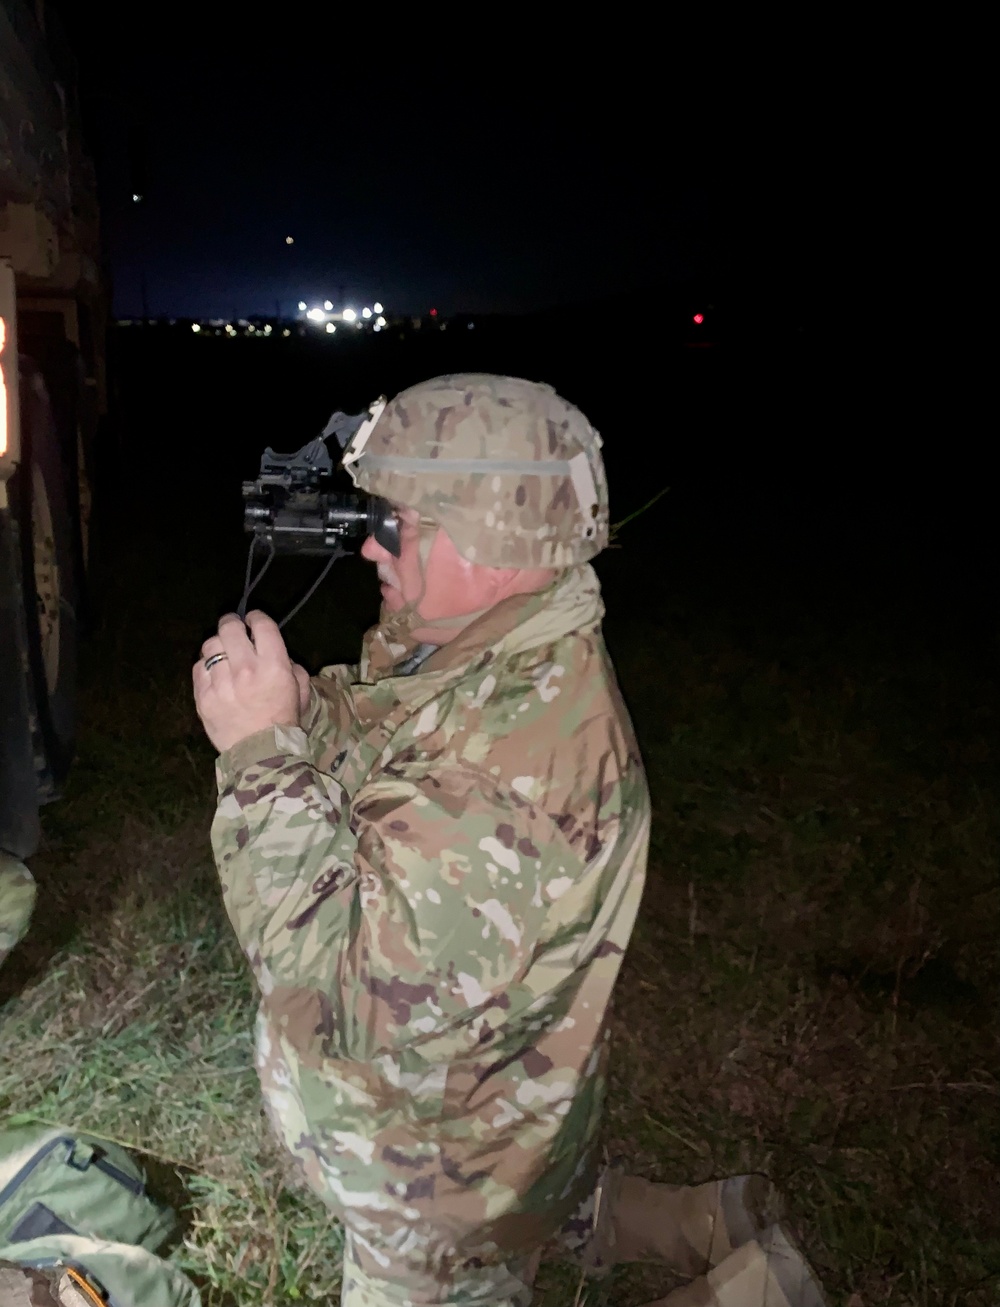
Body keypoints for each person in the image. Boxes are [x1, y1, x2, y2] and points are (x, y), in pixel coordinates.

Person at [193, 374, 825, 1307]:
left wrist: (259, 756)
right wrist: (298, 714)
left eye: (397, 520)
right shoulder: (491, 646)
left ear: (490, 546)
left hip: (437, 1191)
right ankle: (697, 1222)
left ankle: (756, 1292)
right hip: (483, 1130)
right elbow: (393, 737)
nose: (370, 540)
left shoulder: (516, 776)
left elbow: (344, 1001)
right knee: (537, 1211)